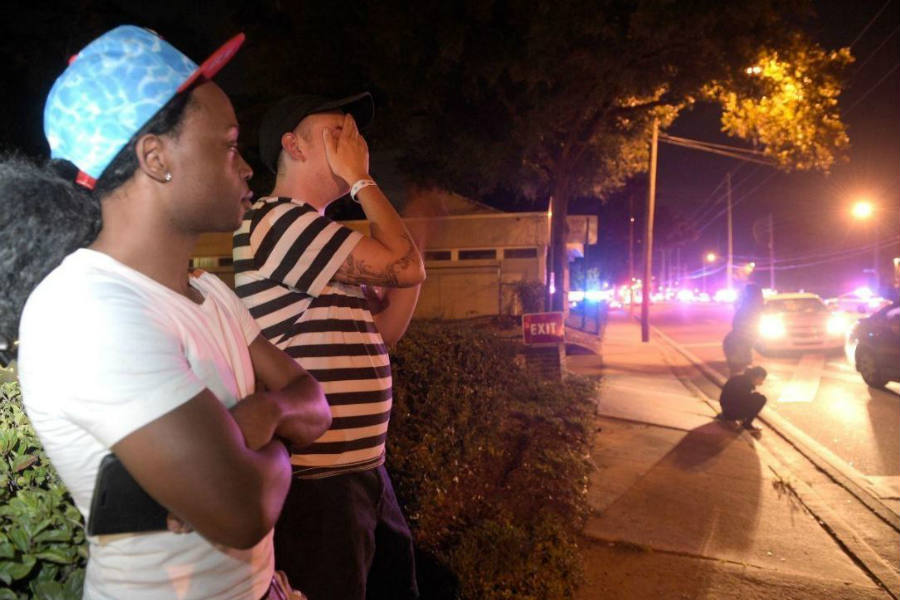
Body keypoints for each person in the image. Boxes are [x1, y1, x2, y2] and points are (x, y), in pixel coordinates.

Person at [12, 26, 332, 599]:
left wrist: (262, 415)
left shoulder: (210, 293)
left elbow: (316, 405)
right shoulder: (86, 310)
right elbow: (243, 507)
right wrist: (267, 437)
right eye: (228, 145)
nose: (246, 169)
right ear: (155, 158)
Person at [233, 92, 426, 600]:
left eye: (355, 135)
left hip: (361, 472)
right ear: (293, 146)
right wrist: (363, 181)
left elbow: (383, 332)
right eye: (338, 133)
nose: (354, 144)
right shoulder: (278, 221)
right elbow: (405, 266)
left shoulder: (320, 237)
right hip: (319, 486)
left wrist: (410, 266)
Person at [723, 283, 764, 375]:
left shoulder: (749, 308)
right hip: (737, 345)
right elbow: (740, 327)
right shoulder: (751, 309)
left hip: (737, 343)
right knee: (739, 371)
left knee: (739, 371)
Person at [717, 365, 768, 434]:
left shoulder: (741, 378)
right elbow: (742, 401)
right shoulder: (746, 383)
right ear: (758, 377)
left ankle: (729, 416)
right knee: (761, 399)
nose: (761, 382)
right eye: (761, 379)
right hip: (730, 412)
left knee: (756, 397)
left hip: (726, 409)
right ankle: (747, 425)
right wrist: (755, 396)